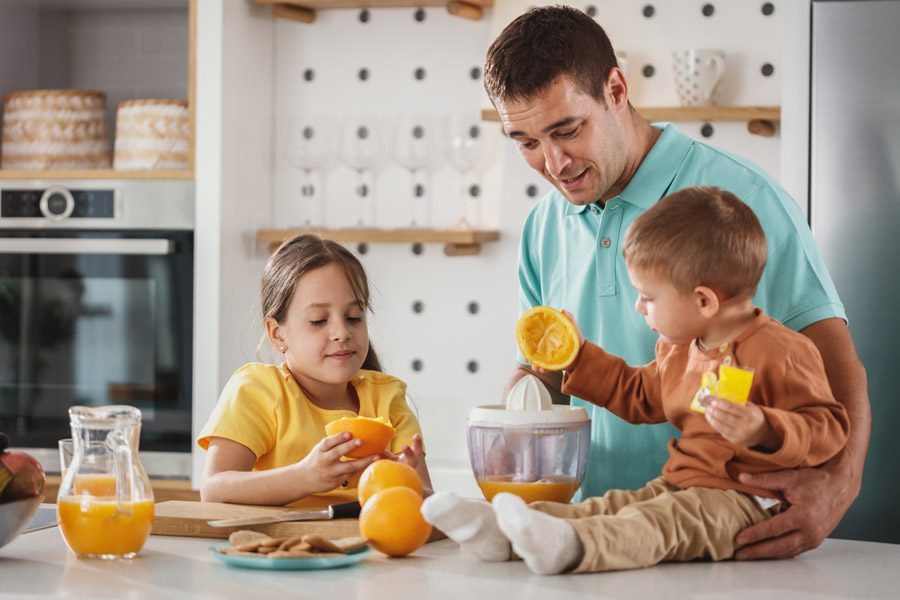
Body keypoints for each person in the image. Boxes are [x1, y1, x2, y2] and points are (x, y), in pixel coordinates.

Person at [483, 5, 869, 560]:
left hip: (725, 529)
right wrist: (512, 421)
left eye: (567, 130)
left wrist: (840, 483)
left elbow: (834, 363)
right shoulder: (543, 226)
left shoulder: (742, 201)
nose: (553, 162)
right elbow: (545, 370)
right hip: (588, 543)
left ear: (616, 89)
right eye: (524, 141)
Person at [422, 186, 851, 574]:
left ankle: (572, 548)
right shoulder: (682, 348)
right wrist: (578, 355)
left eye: (648, 297)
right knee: (614, 505)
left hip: (749, 501)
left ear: (703, 300)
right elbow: (638, 394)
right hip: (684, 482)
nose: (640, 308)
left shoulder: (783, 352)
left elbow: (829, 426)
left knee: (657, 525)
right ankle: (501, 532)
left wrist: (765, 427)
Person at [197, 234, 432, 508]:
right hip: (281, 549)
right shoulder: (257, 390)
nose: (342, 332)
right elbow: (213, 489)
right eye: (318, 321)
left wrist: (404, 481)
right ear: (277, 334)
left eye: (354, 317)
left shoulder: (388, 397)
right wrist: (303, 478)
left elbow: (427, 497)